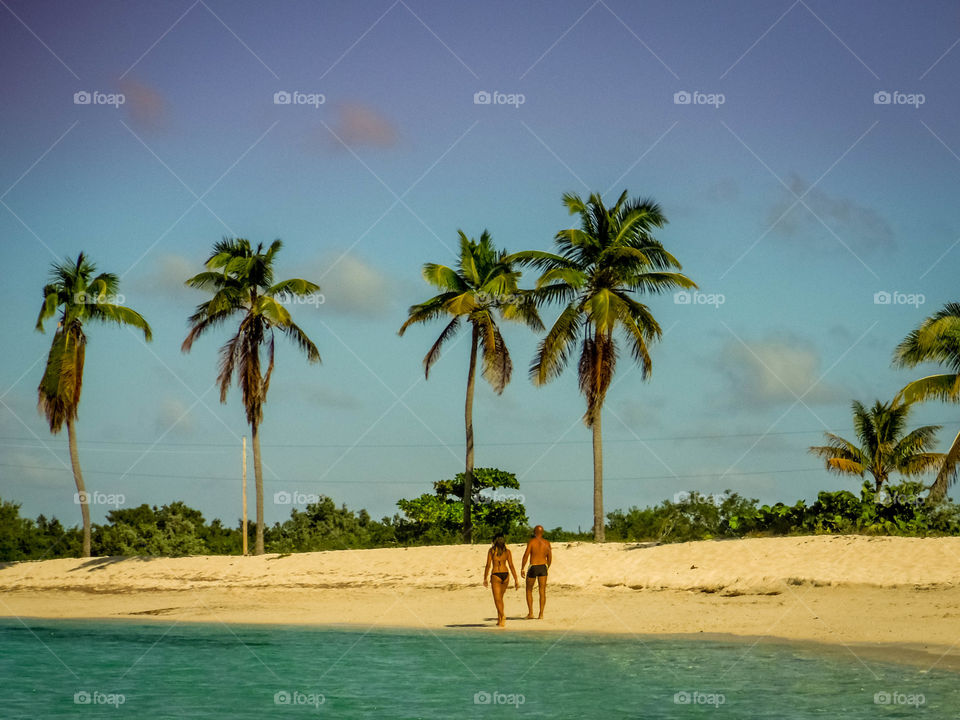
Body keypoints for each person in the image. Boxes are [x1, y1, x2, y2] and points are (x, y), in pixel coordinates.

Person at [483, 535, 519, 627]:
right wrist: (516, 579)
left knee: (497, 599)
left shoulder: (491, 551)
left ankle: (502, 615)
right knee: (500, 599)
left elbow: (488, 565)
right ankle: (500, 620)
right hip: (506, 574)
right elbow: (511, 565)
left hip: (496, 575)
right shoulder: (507, 552)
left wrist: (485, 578)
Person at [520, 525, 552, 619]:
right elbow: (550, 557)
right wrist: (547, 567)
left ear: (534, 532)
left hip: (533, 566)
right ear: (542, 532)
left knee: (529, 590)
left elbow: (526, 555)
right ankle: (541, 614)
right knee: (542, 591)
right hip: (543, 567)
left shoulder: (531, 542)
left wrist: (522, 568)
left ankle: (531, 613)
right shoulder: (547, 543)